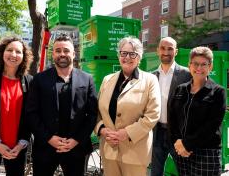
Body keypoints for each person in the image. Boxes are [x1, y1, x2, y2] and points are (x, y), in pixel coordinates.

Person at [26, 34, 98, 176]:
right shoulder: (39, 79)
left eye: (66, 50)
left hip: (76, 150)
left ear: (73, 53)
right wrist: (49, 138)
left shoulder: (87, 79)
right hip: (45, 148)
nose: (62, 54)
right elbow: (31, 113)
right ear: (53, 54)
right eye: (58, 51)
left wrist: (76, 140)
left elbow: (92, 114)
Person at [95, 36, 161, 176]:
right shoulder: (107, 80)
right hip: (109, 150)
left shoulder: (150, 80)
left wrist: (126, 133)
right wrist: (102, 130)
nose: (127, 57)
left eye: (133, 54)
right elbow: (97, 111)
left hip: (135, 152)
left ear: (139, 57)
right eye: (123, 53)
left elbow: (153, 115)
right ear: (119, 55)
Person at [0, 36, 33, 176]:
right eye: (10, 50)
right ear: (2, 53)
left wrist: (22, 143)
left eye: (18, 51)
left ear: (24, 56)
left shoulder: (29, 81)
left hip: (17, 147)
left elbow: (30, 116)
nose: (14, 55)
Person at [168, 46, 226, 175]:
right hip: (181, 151)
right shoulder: (180, 90)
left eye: (203, 64)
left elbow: (212, 125)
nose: (199, 68)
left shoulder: (218, 92)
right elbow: (172, 119)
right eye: (195, 64)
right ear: (189, 65)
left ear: (210, 67)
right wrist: (177, 142)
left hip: (206, 151)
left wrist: (187, 144)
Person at [151, 37, 191, 176]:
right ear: (157, 51)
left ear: (176, 51)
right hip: (157, 133)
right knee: (155, 172)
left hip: (178, 135)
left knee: (184, 171)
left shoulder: (187, 74)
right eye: (163, 48)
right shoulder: (151, 76)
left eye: (170, 49)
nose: (166, 52)